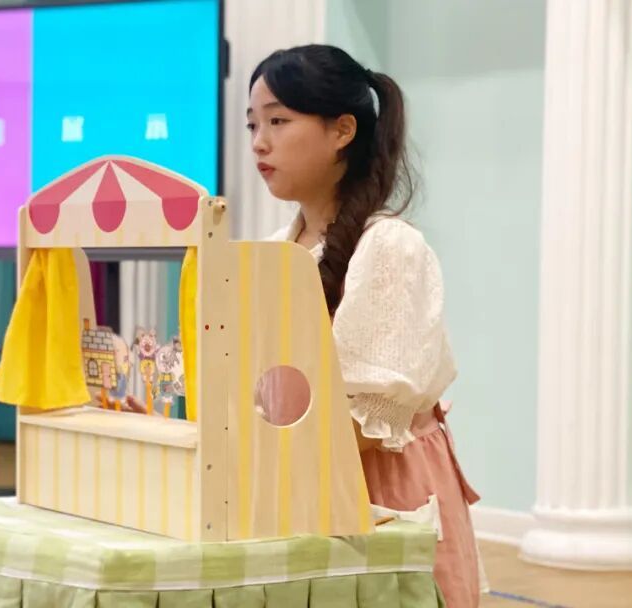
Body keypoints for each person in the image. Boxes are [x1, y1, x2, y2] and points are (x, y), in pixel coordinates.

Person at [248, 44, 481, 607]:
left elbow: (370, 419)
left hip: (375, 486)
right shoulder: (274, 250)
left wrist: (255, 451)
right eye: (253, 124)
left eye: (278, 121)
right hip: (300, 476)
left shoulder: (390, 247)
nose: (259, 142)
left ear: (342, 130)